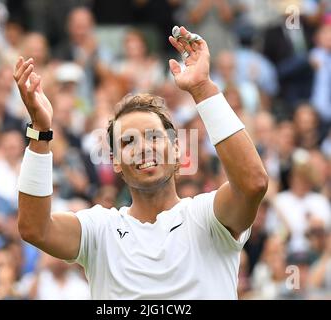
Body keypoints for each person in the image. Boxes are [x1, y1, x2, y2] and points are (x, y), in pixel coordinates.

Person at [14, 26, 268, 299]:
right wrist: (40, 130)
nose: (143, 148)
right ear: (115, 163)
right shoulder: (100, 230)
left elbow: (253, 183)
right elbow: (34, 228)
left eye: (153, 137)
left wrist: (203, 89)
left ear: (177, 149)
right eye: (128, 142)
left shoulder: (208, 216)